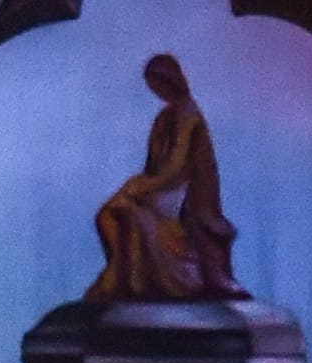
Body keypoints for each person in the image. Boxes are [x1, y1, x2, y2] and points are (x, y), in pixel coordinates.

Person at [91, 53, 237, 300]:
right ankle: (119, 273)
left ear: (172, 81)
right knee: (107, 214)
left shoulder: (189, 116)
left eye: (159, 83)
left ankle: (138, 281)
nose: (156, 90)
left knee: (132, 214)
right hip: (159, 191)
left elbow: (176, 169)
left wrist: (142, 187)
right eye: (152, 85)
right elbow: (153, 166)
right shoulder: (164, 118)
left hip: (182, 197)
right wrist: (138, 184)